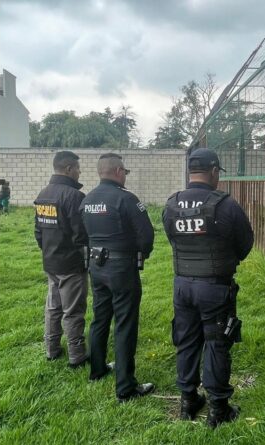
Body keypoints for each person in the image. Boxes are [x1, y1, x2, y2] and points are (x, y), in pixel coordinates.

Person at [161, 147, 253, 428]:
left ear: (191, 171)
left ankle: (188, 401)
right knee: (216, 344)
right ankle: (218, 409)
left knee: (187, 341)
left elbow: (172, 239)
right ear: (214, 172)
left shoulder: (172, 204)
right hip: (215, 287)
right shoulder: (225, 204)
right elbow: (245, 243)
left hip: (182, 286)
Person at [79, 153, 155, 402]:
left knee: (100, 318)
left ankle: (98, 369)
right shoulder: (127, 199)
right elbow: (146, 236)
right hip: (121, 268)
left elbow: (82, 235)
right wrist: (142, 252)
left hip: (96, 267)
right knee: (125, 324)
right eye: (126, 172)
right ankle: (125, 387)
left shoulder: (87, 200)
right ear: (119, 171)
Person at [34, 151, 89, 367]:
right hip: (71, 264)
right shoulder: (74, 197)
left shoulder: (43, 194)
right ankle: (77, 356)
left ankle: (52, 349)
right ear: (68, 169)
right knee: (73, 311)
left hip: (51, 262)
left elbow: (38, 232)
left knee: (53, 308)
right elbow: (81, 235)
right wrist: (85, 260)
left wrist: (48, 251)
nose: (79, 171)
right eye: (77, 168)